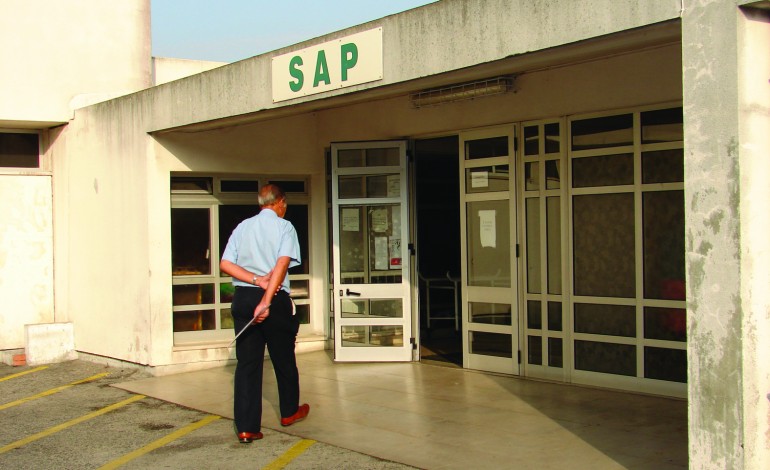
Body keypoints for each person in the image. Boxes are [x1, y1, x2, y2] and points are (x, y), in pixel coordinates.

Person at [220, 184, 309, 444]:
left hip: (244, 297)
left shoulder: (242, 227)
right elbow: (282, 264)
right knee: (283, 357)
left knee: (247, 364)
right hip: (273, 298)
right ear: (280, 202)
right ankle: (289, 411)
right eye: (285, 204)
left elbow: (225, 264)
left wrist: (255, 279)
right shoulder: (284, 227)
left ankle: (247, 427)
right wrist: (266, 299)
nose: (285, 208)